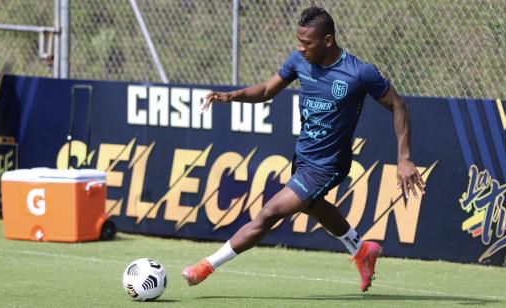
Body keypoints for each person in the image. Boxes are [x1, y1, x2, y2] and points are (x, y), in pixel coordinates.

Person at [181, 6, 425, 292]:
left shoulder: (359, 73)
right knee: (314, 207)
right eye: (299, 41)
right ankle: (362, 250)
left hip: (328, 164)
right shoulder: (299, 61)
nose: (301, 47)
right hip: (303, 157)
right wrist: (230, 96)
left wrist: (404, 157)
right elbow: (265, 91)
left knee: (269, 213)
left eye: (307, 42)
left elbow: (399, 105)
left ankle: (207, 266)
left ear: (328, 41)